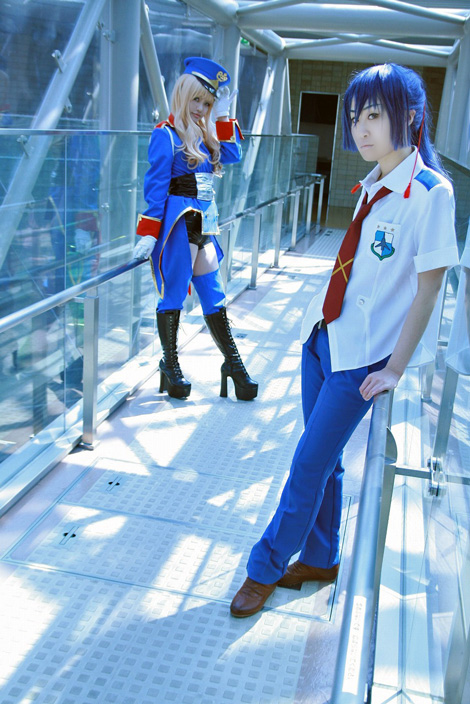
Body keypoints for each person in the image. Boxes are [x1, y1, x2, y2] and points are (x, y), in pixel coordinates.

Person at [230, 63, 460, 617]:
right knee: (325, 460)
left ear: (411, 115)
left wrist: (395, 368)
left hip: (362, 358)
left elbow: (429, 289)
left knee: (307, 463)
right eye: (355, 116)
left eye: (374, 114)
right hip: (323, 336)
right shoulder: (372, 183)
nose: (360, 128)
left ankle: (264, 567)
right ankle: (322, 556)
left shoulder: (432, 193)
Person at [133, 57, 258, 401]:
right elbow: (155, 186)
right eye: (197, 100)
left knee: (213, 293)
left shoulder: (204, 134)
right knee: (174, 293)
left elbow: (232, 154)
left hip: (205, 220)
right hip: (179, 223)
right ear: (182, 94)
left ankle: (233, 365)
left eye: (207, 102)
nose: (201, 108)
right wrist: (149, 231)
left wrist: (224, 117)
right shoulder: (165, 135)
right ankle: (170, 364)